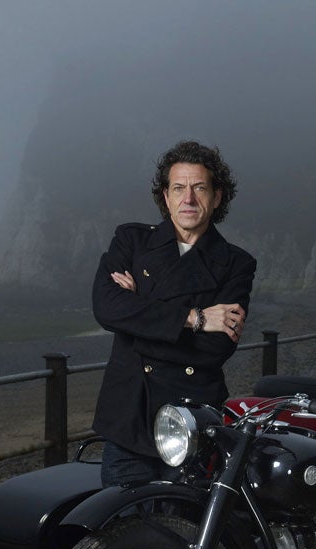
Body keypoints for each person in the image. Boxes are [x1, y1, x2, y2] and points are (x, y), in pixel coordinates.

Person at [91, 140, 257, 487]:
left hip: (191, 425)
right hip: (129, 419)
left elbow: (214, 350)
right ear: (165, 196)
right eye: (179, 188)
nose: (189, 199)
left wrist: (136, 320)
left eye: (199, 188)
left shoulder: (236, 263)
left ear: (217, 196)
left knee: (184, 534)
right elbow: (106, 307)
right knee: (121, 533)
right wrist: (195, 318)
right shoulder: (131, 241)